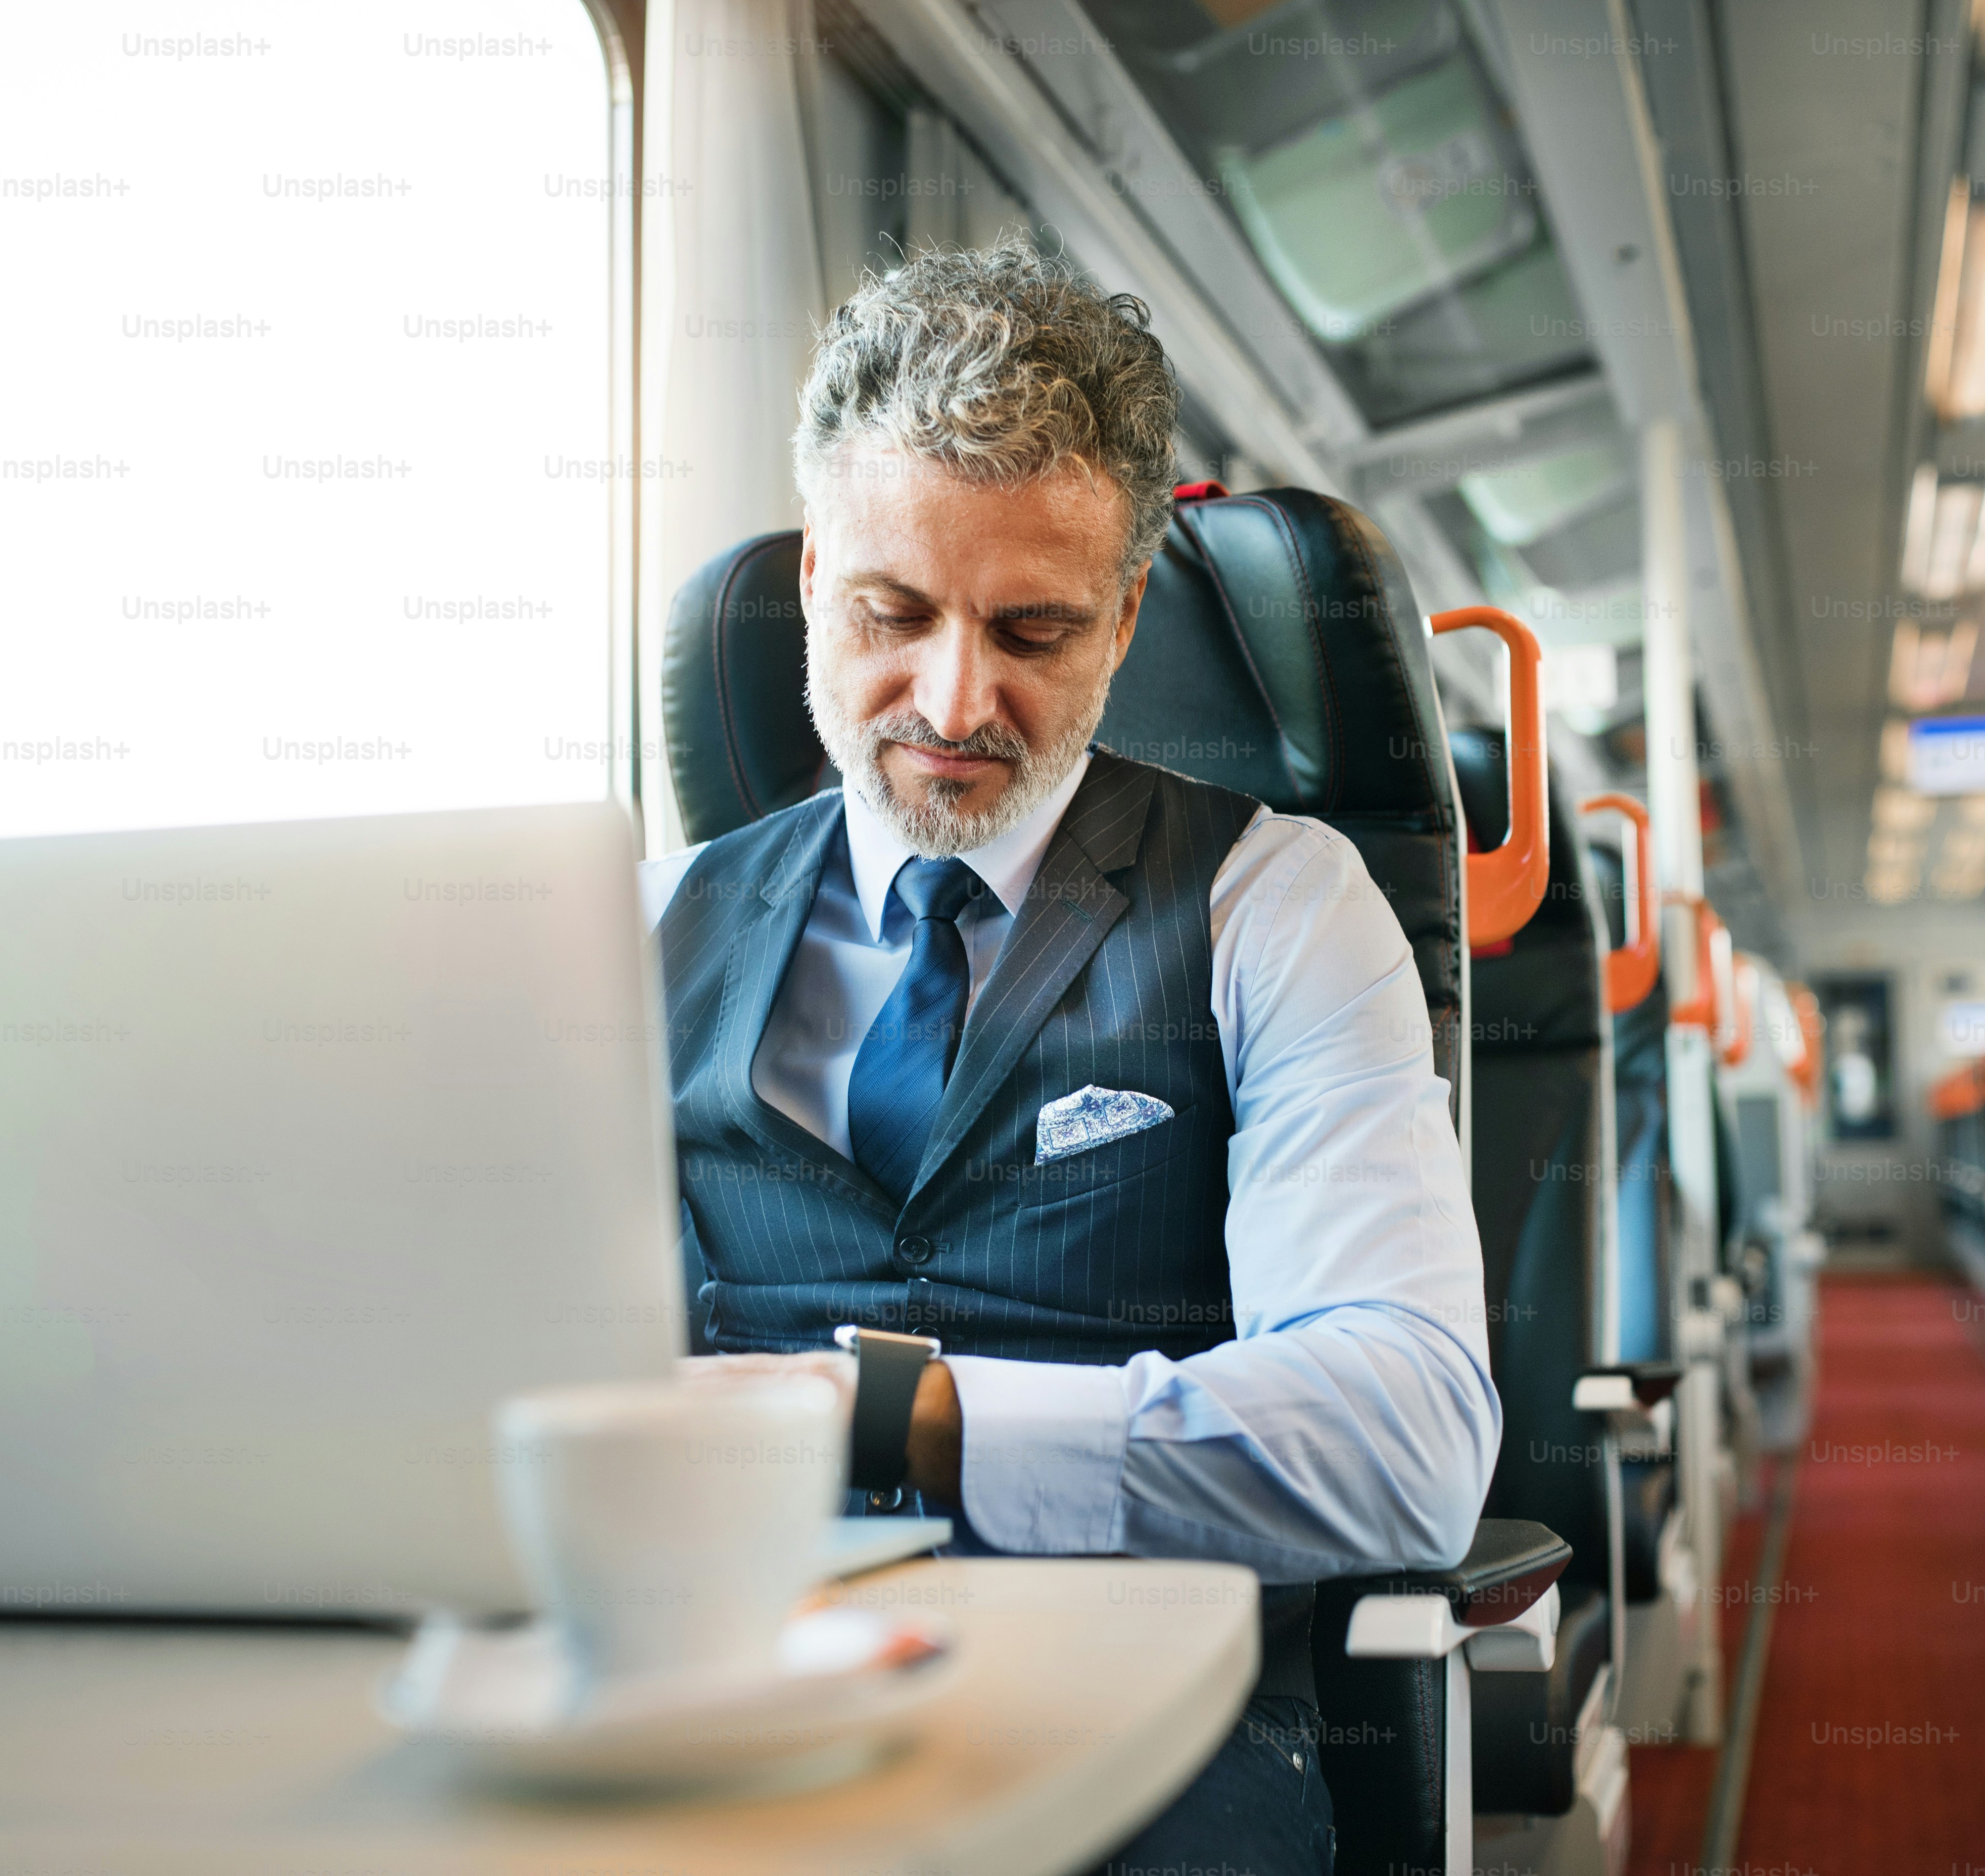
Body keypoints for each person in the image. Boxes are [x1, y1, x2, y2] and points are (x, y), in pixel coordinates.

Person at [639, 237, 1497, 1875]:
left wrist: (891, 1414)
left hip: (1154, 1720)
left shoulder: (1277, 905)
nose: (955, 703)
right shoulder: (645, 931)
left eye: (1033, 631)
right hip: (733, 1678)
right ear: (816, 583)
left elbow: (1405, 1441)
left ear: (1123, 623)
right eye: (893, 612)